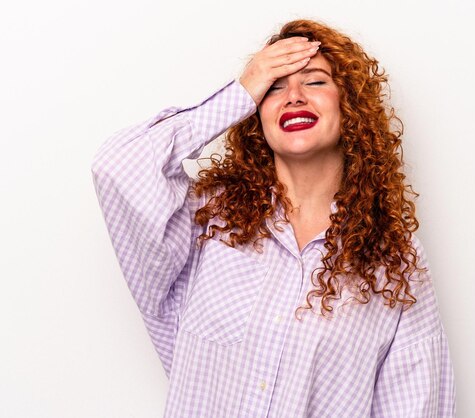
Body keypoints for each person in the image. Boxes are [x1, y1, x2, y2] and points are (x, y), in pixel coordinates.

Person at [92, 19, 455, 417]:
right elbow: (115, 167)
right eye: (275, 86)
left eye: (315, 82)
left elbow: (416, 404)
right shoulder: (208, 220)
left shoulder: (393, 259)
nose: (293, 96)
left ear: (349, 107)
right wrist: (239, 94)